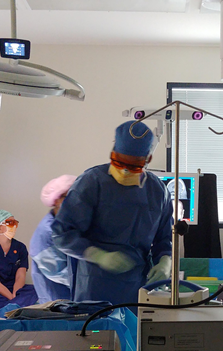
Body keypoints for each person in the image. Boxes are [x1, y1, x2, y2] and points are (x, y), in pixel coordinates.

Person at [52, 120, 173, 310]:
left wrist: (165, 261)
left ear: (147, 160)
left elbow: (164, 239)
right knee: (95, 337)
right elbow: (62, 234)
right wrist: (98, 255)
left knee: (132, 336)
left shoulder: (158, 191)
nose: (124, 170)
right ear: (112, 153)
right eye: (118, 162)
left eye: (133, 166)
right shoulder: (91, 183)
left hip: (137, 288)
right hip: (94, 287)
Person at [29, 174, 77, 303]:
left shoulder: (71, 224)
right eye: (68, 196)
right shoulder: (45, 233)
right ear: (55, 201)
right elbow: (58, 272)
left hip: (75, 297)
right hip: (58, 300)